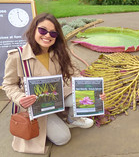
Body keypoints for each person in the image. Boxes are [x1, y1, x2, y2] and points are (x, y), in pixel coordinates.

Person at [2, 13, 105, 154]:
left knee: (86, 96)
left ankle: (72, 119)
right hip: (36, 107)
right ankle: (52, 122)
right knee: (63, 138)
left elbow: (74, 75)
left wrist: (94, 94)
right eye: (42, 30)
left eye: (53, 33)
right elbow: (8, 84)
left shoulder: (59, 52)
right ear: (34, 30)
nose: (47, 35)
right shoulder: (17, 56)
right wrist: (20, 98)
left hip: (58, 97)